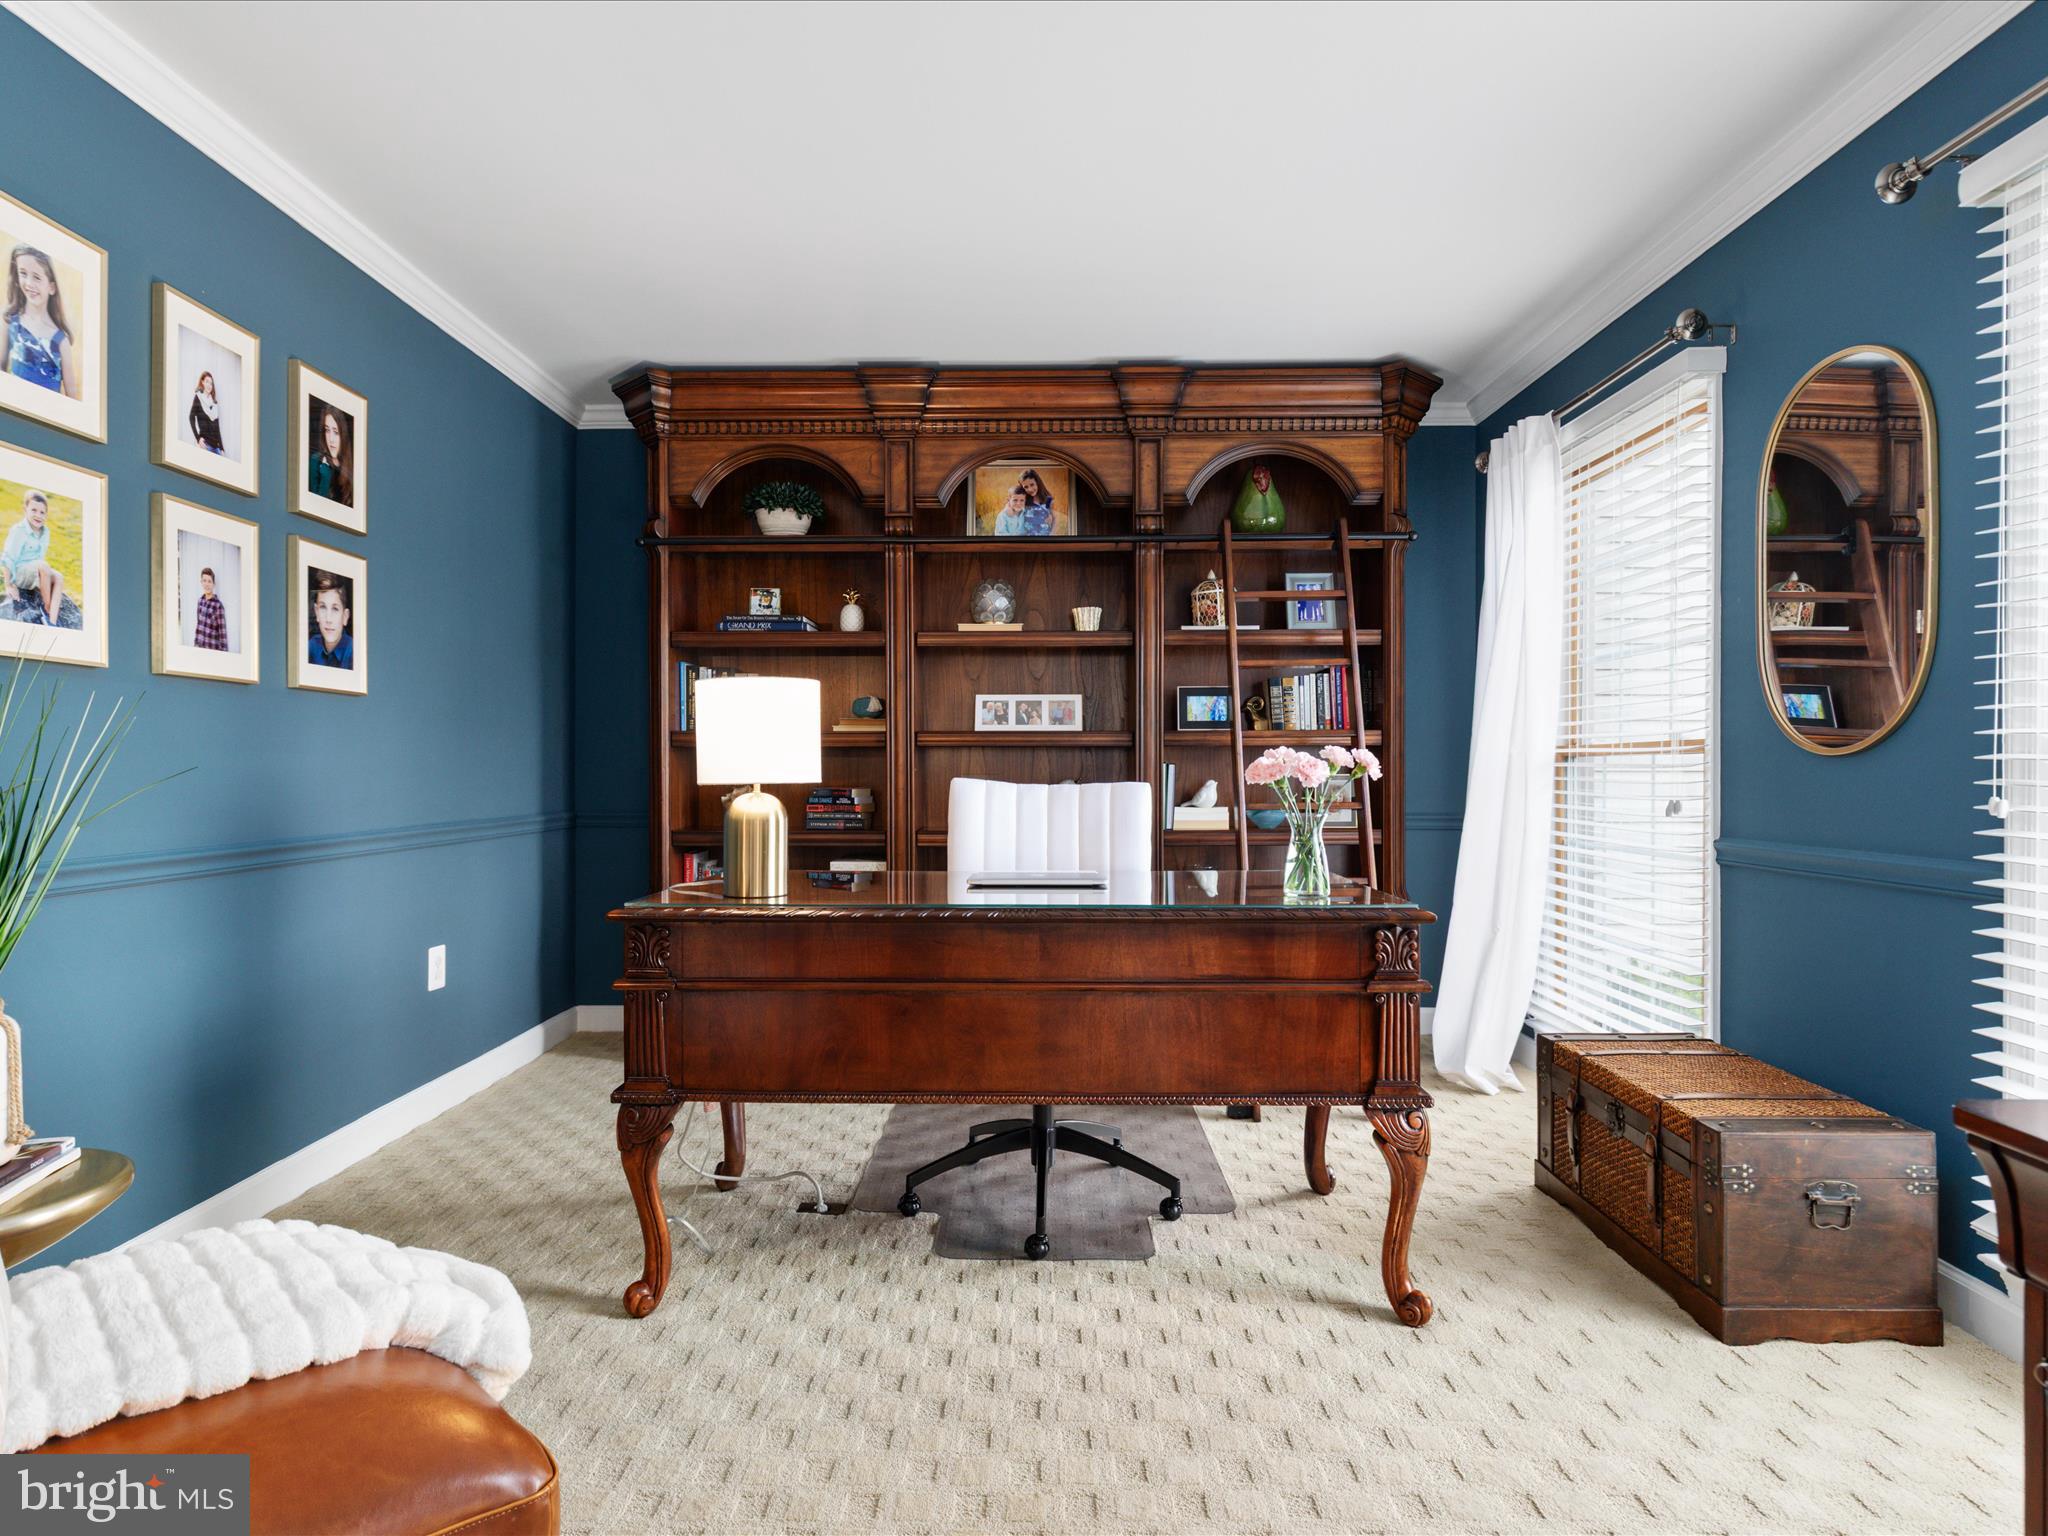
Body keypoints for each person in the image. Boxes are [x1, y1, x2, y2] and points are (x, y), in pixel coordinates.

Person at [4, 246, 78, 400]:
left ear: (51, 287)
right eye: (23, 273)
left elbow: (72, 398)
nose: (29, 283)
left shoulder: (61, 341)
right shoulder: (10, 322)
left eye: (37, 277)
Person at [3, 489, 63, 626]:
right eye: (34, 510)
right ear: (25, 510)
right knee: (43, 565)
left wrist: (45, 579)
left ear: (46, 514)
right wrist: (9, 585)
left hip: (35, 572)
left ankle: (52, 621)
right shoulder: (18, 531)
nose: (38, 515)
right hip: (19, 574)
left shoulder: (45, 532)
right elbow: (8, 559)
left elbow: (40, 561)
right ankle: (46, 608)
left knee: (58, 577)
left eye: (42, 512)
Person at [308, 403, 352, 506]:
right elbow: (316, 504)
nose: (331, 439)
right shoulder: (316, 461)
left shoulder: (349, 467)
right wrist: (325, 475)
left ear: (343, 434)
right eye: (327, 430)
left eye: (336, 432)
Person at [307, 571, 353, 668]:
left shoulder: (353, 651)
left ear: (345, 616)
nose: (328, 619)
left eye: (335, 609)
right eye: (323, 607)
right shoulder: (311, 646)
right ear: (316, 612)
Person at [1015, 467, 1063, 536]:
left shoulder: (1048, 499)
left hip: (1044, 537)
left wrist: (1052, 534)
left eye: (1032, 485)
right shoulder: (1024, 500)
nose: (1030, 489)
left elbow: (1055, 519)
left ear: (1037, 482)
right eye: (1026, 487)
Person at [188, 370, 224, 454]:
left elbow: (217, 428)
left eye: (211, 383)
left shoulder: (214, 404)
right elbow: (191, 417)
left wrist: (221, 448)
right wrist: (198, 438)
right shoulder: (198, 398)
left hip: (216, 447)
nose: (209, 385)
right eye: (207, 382)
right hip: (205, 445)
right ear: (202, 382)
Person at [193, 565, 228, 651]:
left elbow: (222, 634)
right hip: (200, 649)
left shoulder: (218, 606)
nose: (207, 584)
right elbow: (199, 625)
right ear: (201, 582)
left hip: (212, 650)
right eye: (204, 581)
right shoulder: (200, 601)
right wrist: (195, 644)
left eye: (209, 581)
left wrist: (224, 654)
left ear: (213, 584)